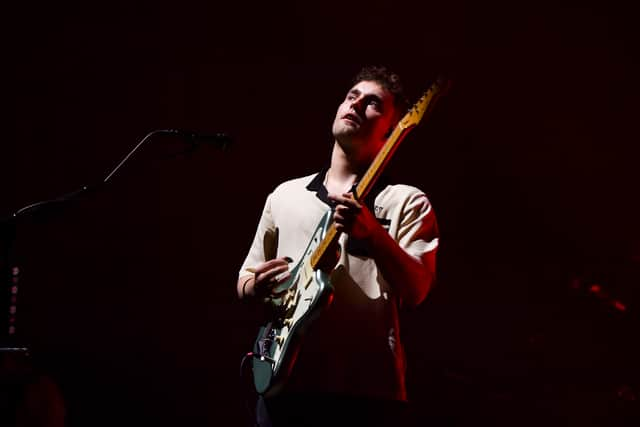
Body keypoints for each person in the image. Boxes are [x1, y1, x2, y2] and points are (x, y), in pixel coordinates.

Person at [237, 65, 439, 427]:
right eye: (352, 96)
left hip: (366, 392)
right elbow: (245, 277)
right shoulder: (285, 195)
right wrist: (256, 285)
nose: (357, 104)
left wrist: (374, 236)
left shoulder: (406, 201)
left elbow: (418, 290)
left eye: (373, 102)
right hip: (285, 383)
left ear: (394, 130)